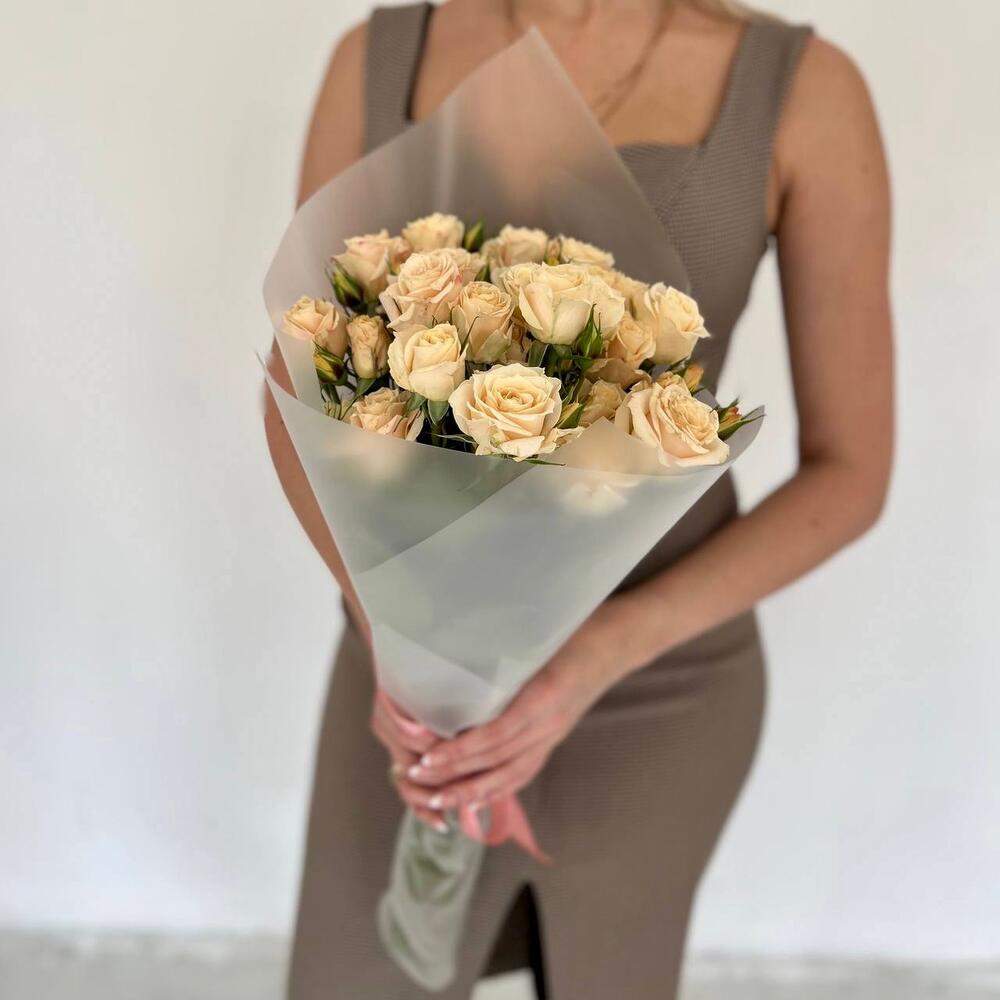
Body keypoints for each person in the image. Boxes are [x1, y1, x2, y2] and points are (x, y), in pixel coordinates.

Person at [264, 1, 894, 996]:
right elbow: (298, 374)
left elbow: (849, 471)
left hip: (656, 684)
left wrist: (591, 658)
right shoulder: (377, 57)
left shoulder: (804, 92)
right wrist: (398, 643)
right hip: (405, 688)